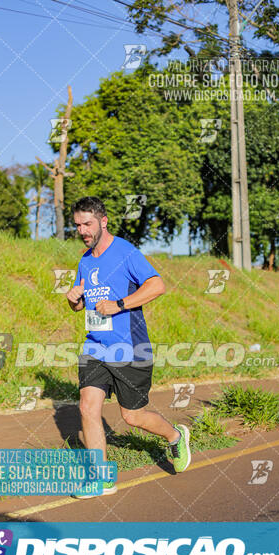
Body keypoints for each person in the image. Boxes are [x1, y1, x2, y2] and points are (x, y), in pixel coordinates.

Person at [67, 197, 191, 498]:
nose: (83, 230)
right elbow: (87, 300)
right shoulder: (85, 260)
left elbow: (157, 285)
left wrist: (120, 304)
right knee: (87, 407)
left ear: (103, 221)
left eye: (88, 223)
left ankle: (175, 436)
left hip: (129, 347)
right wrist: (75, 300)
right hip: (95, 346)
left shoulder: (125, 252)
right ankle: (102, 479)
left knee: (132, 417)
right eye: (78, 225)